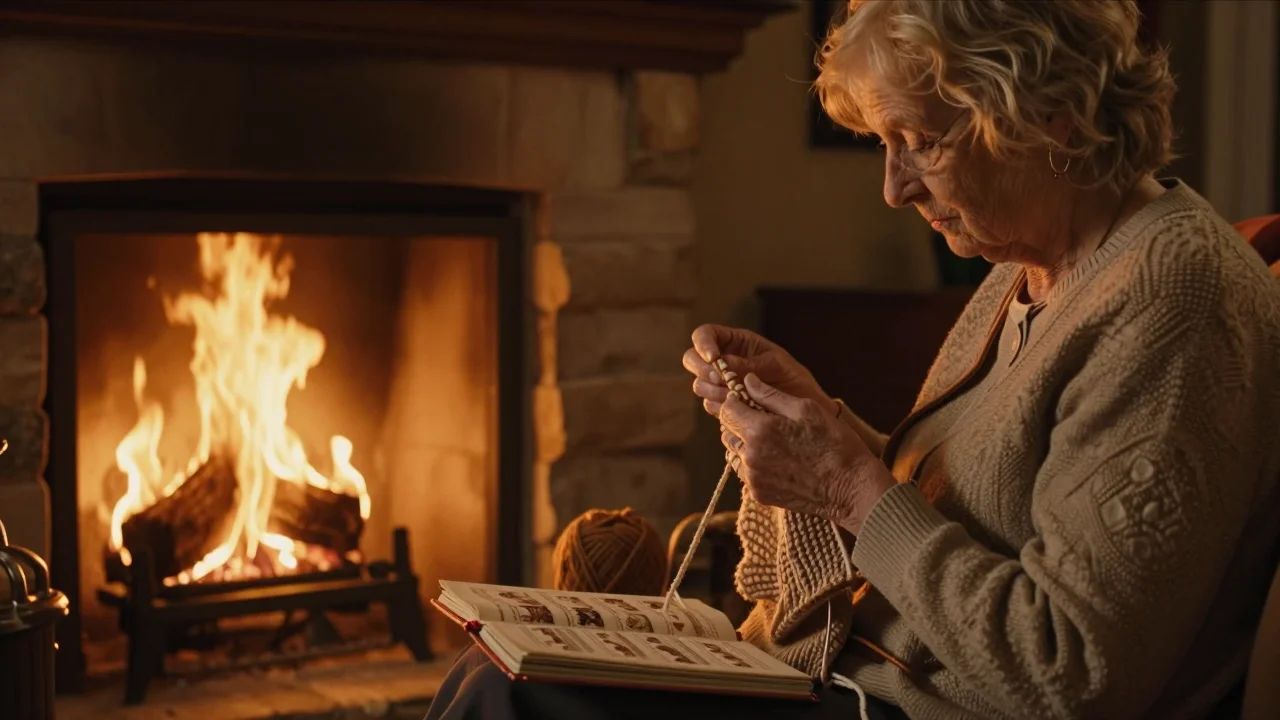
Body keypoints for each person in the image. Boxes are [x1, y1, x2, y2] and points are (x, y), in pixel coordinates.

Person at [425, 1, 1280, 717]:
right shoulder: (1029, 262)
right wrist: (818, 424)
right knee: (500, 667)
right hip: (857, 684)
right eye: (883, 142)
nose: (894, 187)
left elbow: (1072, 673)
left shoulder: (1176, 298)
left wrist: (846, 485)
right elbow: (967, 509)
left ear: (1045, 111)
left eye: (921, 140)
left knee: (514, 702)